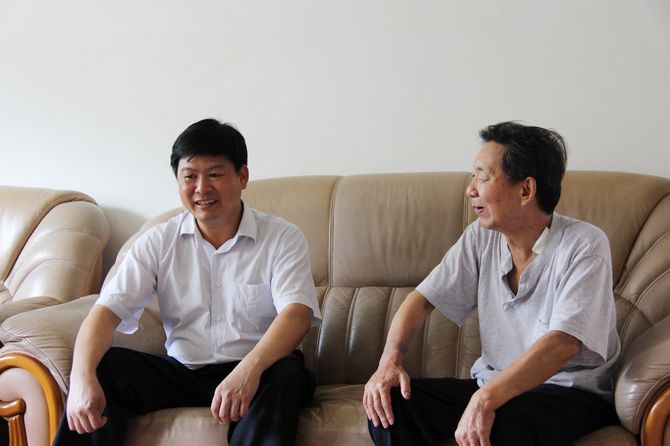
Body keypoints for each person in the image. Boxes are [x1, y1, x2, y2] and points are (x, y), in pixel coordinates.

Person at [54, 118, 321, 446]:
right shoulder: (158, 241)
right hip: (184, 373)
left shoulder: (281, 237)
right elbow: (104, 314)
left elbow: (297, 315)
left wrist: (247, 371)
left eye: (215, 175)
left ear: (243, 176)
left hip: (262, 369)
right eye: (190, 176)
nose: (201, 189)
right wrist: (82, 379)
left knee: (285, 375)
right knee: (107, 368)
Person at [363, 121, 620, 446]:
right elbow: (422, 299)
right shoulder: (480, 237)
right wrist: (389, 362)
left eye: (483, 177)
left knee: (500, 426)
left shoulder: (584, 244)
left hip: (568, 393)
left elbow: (563, 343)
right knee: (390, 404)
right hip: (493, 385)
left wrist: (485, 400)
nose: (470, 189)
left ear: (526, 190)